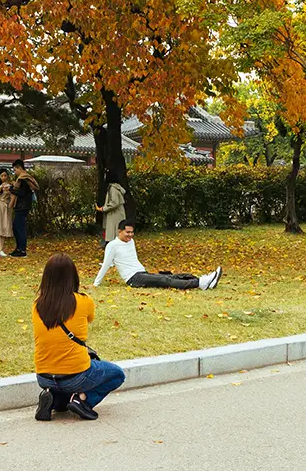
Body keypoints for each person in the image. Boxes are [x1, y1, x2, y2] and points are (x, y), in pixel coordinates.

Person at [33, 253, 125, 421]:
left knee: (62, 397)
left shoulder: (37, 304)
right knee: (117, 374)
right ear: (73, 276)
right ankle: (82, 400)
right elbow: (90, 318)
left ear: (47, 277)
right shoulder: (84, 301)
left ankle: (53, 399)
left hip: (44, 377)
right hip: (75, 375)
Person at [94, 220, 223, 290]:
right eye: (127, 232)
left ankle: (202, 279)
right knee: (164, 281)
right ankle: (200, 283)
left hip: (141, 273)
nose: (130, 235)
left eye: (132, 232)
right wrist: (95, 284)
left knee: (169, 276)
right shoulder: (112, 245)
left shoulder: (131, 241)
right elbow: (106, 265)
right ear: (120, 231)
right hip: (133, 279)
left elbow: (124, 259)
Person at [9, 159, 39, 257]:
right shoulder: (24, 178)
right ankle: (18, 248)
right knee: (16, 227)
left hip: (23, 205)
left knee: (20, 228)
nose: (15, 172)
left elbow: (21, 193)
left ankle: (22, 250)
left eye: (15, 170)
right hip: (21, 205)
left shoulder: (23, 178)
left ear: (19, 168)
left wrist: (11, 189)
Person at [96, 171, 126, 247]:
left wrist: (104, 208)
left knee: (113, 233)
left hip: (115, 214)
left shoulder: (113, 188)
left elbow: (114, 202)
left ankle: (111, 247)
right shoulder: (115, 187)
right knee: (115, 233)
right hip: (116, 214)